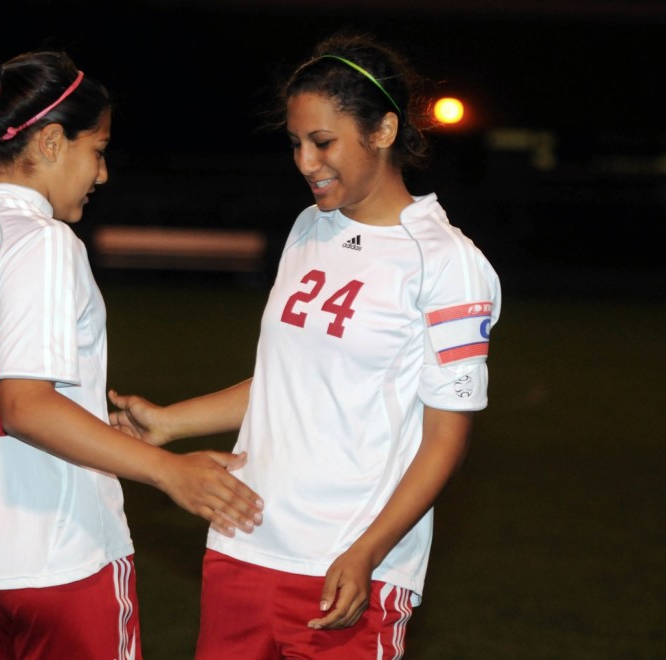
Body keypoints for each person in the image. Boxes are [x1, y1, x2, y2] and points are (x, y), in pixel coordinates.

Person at [108, 30, 501, 659]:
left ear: (383, 130)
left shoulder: (447, 263)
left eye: (323, 142)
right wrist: (169, 422)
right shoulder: (308, 227)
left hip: (348, 569)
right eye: (295, 143)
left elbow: (445, 439)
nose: (304, 162)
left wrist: (368, 552)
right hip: (243, 544)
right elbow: (289, 379)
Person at [0, 48, 263, 660]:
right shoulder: (42, 243)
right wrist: (170, 472)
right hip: (59, 564)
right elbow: (25, 405)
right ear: (49, 143)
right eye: (98, 150)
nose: (102, 174)